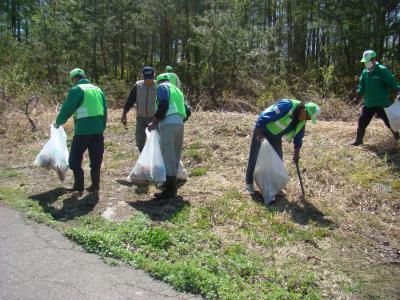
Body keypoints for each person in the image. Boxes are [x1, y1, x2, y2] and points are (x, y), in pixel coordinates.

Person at [245, 99, 320, 198]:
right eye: (308, 118)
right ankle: (249, 185)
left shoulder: (302, 121)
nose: (307, 120)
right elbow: (264, 116)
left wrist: (296, 153)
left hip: (275, 136)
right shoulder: (287, 105)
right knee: (254, 157)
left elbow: (298, 137)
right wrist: (259, 132)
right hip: (262, 130)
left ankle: (275, 188)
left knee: (278, 159)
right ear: (304, 111)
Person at [55, 68, 107, 194]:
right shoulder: (98, 90)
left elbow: (67, 108)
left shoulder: (77, 89)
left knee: (74, 160)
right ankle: (95, 186)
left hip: (83, 131)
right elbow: (105, 111)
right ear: (84, 76)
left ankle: (79, 186)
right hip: (98, 130)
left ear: (74, 79)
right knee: (96, 158)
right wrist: (102, 127)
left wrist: (58, 122)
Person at [147, 73, 187, 200]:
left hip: (168, 125)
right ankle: (172, 189)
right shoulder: (178, 91)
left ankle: (169, 192)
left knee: (168, 157)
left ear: (158, 81)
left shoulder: (162, 87)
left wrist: (154, 122)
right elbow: (188, 111)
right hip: (179, 125)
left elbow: (163, 105)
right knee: (175, 157)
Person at [351, 50, 400, 146]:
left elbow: (392, 83)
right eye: (365, 61)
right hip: (369, 104)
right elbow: (362, 86)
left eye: (368, 60)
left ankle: (396, 135)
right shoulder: (365, 72)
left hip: (382, 104)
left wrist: (398, 91)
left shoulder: (382, 70)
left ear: (374, 59)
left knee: (389, 123)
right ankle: (359, 140)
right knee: (362, 121)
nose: (366, 63)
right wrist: (357, 97)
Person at [121, 67, 157, 152]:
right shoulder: (138, 86)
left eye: (150, 78)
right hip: (140, 117)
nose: (148, 81)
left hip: (154, 118)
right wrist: (124, 114)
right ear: (142, 76)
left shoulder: (158, 86)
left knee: (154, 140)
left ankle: (153, 159)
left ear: (154, 76)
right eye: (146, 78)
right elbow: (130, 100)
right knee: (140, 140)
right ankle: (143, 156)